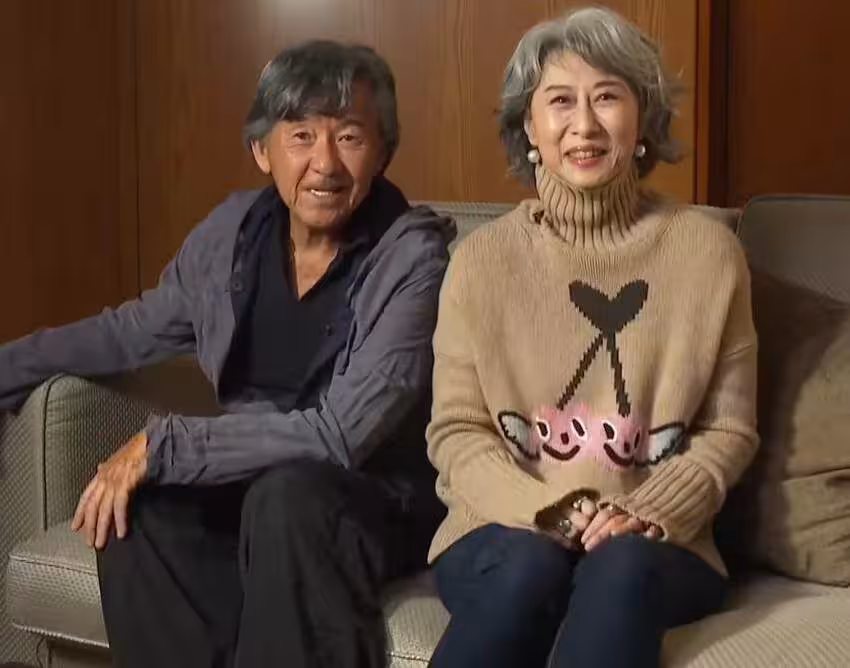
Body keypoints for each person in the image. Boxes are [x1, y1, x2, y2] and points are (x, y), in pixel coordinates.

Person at [0, 41, 454, 668]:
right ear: (263, 151)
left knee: (285, 499)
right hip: (256, 484)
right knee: (140, 508)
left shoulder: (413, 259)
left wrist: (168, 444)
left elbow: (341, 435)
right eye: (301, 136)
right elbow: (126, 332)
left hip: (376, 497)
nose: (325, 163)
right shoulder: (233, 234)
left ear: (383, 152)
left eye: (349, 136)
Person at [425, 8, 758, 668]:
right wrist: (548, 509)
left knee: (620, 565)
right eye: (559, 101)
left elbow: (729, 430)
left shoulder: (709, 254)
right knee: (531, 565)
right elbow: (457, 431)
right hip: (503, 528)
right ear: (529, 127)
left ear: (642, 119)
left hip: (653, 541)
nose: (584, 124)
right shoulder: (481, 262)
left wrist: (646, 512)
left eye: (607, 96)